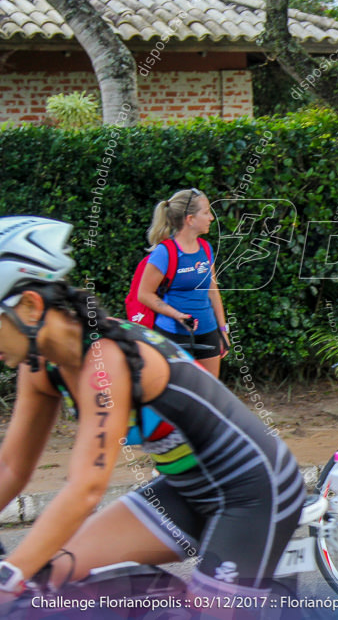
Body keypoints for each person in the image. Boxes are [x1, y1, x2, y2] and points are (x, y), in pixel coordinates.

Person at [0, 217, 304, 603]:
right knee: (53, 576)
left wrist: (9, 575)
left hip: (254, 493)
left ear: (29, 306)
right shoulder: (40, 365)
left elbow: (86, 487)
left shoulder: (105, 360)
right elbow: (11, 468)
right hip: (183, 492)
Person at [138, 188, 230, 377]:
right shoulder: (165, 253)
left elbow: (213, 291)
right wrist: (177, 315)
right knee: (175, 397)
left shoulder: (206, 248)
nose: (211, 218)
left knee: (209, 395)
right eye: (206, 212)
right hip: (173, 334)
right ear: (190, 219)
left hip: (208, 331)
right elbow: (144, 294)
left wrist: (223, 330)